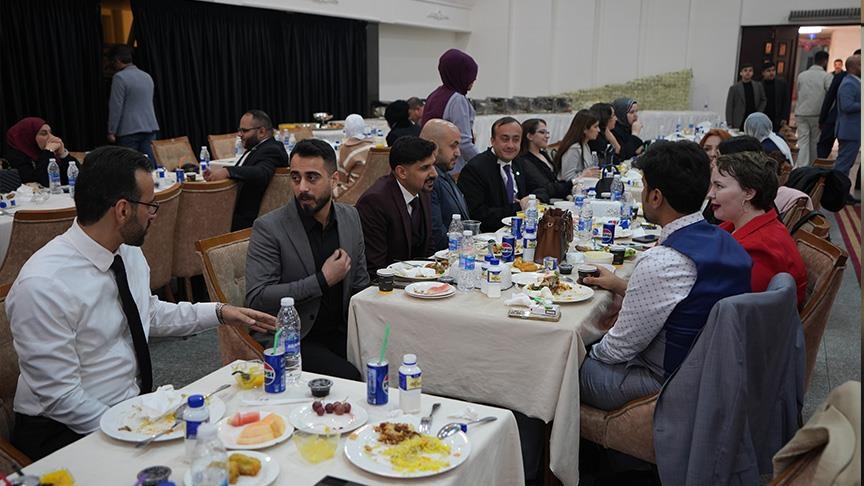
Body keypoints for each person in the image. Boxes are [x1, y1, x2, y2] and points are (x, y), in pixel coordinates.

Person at [7, 146, 275, 461]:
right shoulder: (44, 284)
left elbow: (146, 312)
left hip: (129, 411)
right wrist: (136, 436)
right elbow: (60, 397)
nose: (154, 214)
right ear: (122, 210)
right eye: (150, 205)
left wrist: (220, 312)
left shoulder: (126, 251)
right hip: (64, 434)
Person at [579, 141, 752, 410]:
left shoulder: (664, 261)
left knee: (563, 366)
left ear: (656, 197)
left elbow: (617, 350)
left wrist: (588, 348)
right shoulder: (725, 239)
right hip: (715, 374)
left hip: (668, 384)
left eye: (644, 187)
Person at [245, 139, 369, 380]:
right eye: (295, 178)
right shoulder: (269, 228)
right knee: (350, 377)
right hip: (293, 337)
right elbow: (257, 297)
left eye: (312, 178)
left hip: (342, 330)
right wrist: (322, 280)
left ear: (334, 180)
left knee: (391, 361)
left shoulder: (350, 217)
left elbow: (360, 284)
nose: (302, 187)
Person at [707, 151, 807, 304]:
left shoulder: (760, 249)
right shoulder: (738, 225)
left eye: (719, 186)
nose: (710, 194)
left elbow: (739, 307)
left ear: (749, 193)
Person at [355, 136, 437, 278]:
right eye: (425, 168)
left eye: (433, 165)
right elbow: (376, 268)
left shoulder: (421, 191)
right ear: (402, 172)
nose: (434, 174)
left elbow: (428, 247)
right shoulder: (375, 202)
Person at [203, 110, 289, 230]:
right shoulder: (258, 147)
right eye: (240, 130)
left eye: (244, 131)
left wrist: (228, 172)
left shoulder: (272, 149)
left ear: (261, 131)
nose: (239, 134)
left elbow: (262, 173)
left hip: (245, 223)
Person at [457, 117, 530, 233]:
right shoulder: (475, 169)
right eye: (505, 139)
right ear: (492, 141)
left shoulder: (518, 162)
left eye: (516, 140)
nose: (510, 145)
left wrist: (534, 199)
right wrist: (519, 207)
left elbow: (541, 187)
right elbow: (477, 215)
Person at [421, 48, 479, 174]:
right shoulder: (457, 100)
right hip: (453, 168)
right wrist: (483, 163)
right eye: (470, 75)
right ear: (459, 75)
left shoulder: (434, 95)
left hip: (433, 163)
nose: (474, 80)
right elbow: (463, 142)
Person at [422, 119, 470, 251]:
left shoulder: (445, 175)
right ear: (433, 147)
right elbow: (437, 237)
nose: (458, 153)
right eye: (453, 146)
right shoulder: (429, 182)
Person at [106, 45, 159, 162]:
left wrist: (112, 131)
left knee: (129, 164)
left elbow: (116, 106)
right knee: (148, 164)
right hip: (150, 127)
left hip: (128, 130)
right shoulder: (146, 76)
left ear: (117, 60)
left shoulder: (119, 77)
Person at [5, 117, 75, 187]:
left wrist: (63, 154)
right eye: (44, 133)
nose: (51, 137)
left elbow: (76, 180)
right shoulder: (16, 157)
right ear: (28, 136)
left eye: (50, 133)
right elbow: (42, 181)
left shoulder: (46, 154)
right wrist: (47, 151)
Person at [817, 49, 860, 159]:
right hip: (836, 118)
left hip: (853, 125)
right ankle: (818, 168)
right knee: (824, 149)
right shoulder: (842, 77)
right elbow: (829, 98)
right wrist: (822, 119)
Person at [517, 118, 572, 203]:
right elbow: (545, 187)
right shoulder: (524, 160)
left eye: (547, 133)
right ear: (529, 136)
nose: (547, 136)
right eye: (542, 132)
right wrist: (573, 182)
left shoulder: (544, 154)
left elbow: (554, 180)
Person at [794, 50, 832, 166]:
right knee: (815, 142)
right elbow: (830, 95)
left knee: (803, 141)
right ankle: (812, 166)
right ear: (825, 61)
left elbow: (798, 91)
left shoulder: (802, 75)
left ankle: (801, 167)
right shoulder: (827, 76)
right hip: (817, 114)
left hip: (801, 112)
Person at [835, 54, 861, 204]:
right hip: (849, 130)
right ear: (854, 67)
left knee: (847, 164)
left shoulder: (855, 81)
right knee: (843, 165)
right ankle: (837, 195)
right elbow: (847, 106)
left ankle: (843, 192)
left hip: (853, 130)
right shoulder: (849, 83)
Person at [555, 110, 602, 181]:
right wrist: (583, 175)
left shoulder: (585, 145)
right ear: (585, 129)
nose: (598, 130)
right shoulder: (574, 148)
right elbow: (567, 177)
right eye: (595, 127)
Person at [335, 114, 373, 196]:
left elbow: (342, 178)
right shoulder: (372, 145)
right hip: (371, 189)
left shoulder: (346, 149)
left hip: (353, 191)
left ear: (347, 129)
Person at [725, 63, 767, 130]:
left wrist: (759, 112)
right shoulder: (734, 88)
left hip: (753, 118)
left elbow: (763, 100)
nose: (748, 72)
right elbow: (729, 106)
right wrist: (729, 123)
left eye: (750, 70)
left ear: (753, 73)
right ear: (741, 73)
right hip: (739, 120)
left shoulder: (758, 86)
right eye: (745, 70)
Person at [760, 61, 791, 131]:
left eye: (773, 70)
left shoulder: (782, 84)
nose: (771, 73)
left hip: (777, 117)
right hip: (763, 116)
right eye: (768, 71)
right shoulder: (759, 85)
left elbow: (786, 102)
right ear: (763, 73)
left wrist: (784, 117)